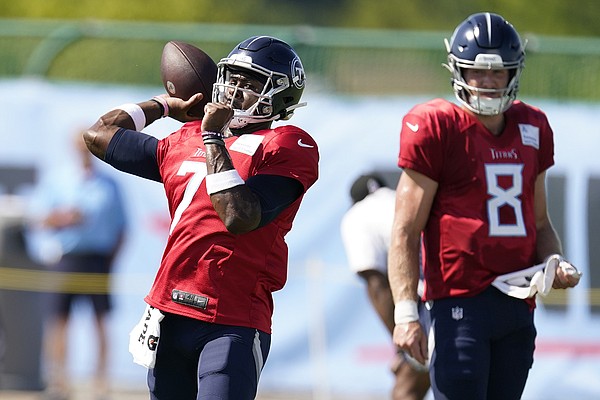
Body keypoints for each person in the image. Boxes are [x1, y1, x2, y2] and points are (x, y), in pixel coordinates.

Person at [83, 36, 319, 400]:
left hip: (232, 319)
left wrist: (212, 137)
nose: (234, 90)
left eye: (250, 84)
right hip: (168, 311)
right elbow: (99, 133)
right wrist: (163, 105)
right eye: (232, 78)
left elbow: (238, 216)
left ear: (280, 96)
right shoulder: (184, 138)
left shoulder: (287, 143)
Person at [387, 12, 582, 400]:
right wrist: (406, 313)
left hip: (518, 304)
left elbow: (540, 223)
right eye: (478, 72)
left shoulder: (533, 126)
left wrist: (555, 262)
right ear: (458, 70)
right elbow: (405, 229)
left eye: (499, 73)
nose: (489, 82)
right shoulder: (436, 126)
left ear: (514, 73)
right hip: (459, 302)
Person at [27, 132, 127, 400]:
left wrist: (111, 259)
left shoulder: (109, 183)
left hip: (98, 259)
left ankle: (100, 382)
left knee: (100, 321)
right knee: (59, 320)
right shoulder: (58, 179)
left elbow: (122, 227)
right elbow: (40, 219)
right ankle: (59, 380)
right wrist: (62, 218)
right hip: (67, 257)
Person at [340, 173, 430, 400]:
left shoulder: (357, 216)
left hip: (425, 301)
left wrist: (402, 344)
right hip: (463, 292)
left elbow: (376, 283)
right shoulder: (404, 197)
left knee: (406, 391)